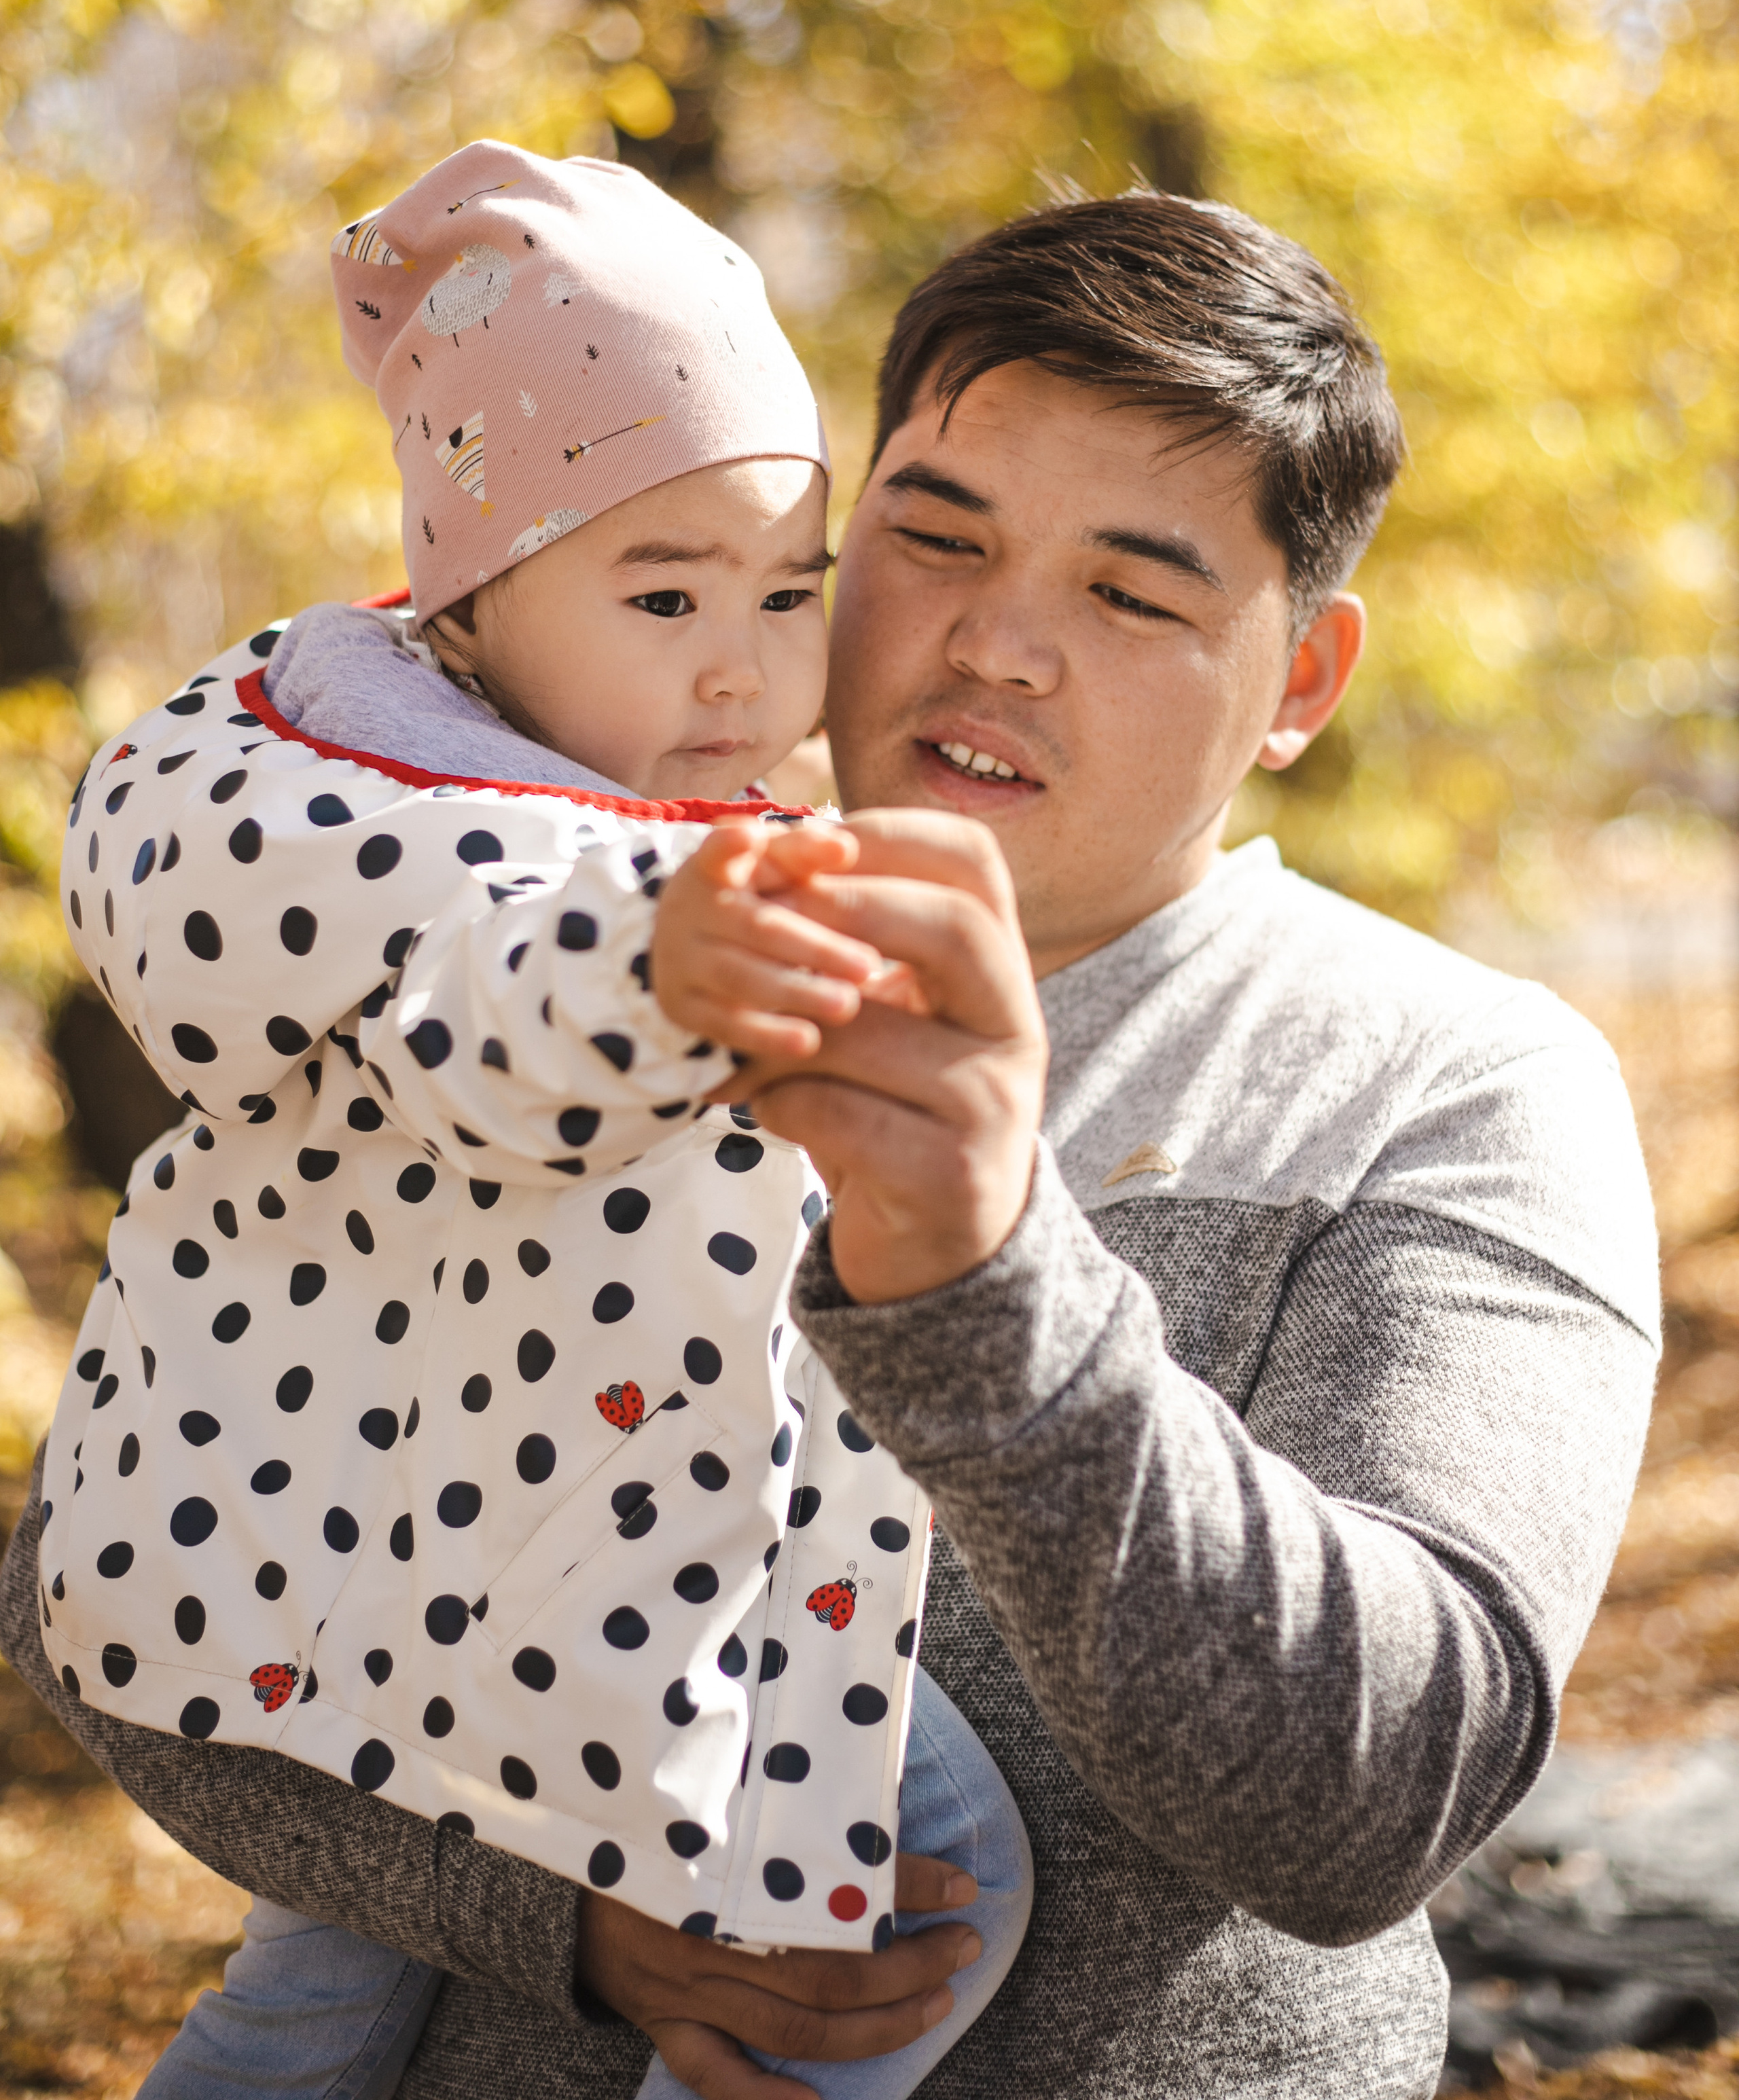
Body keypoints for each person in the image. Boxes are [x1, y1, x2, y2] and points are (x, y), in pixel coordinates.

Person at [2, 186, 1658, 2099]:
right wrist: (549, 1906)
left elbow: (1376, 1808)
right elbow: (122, 1578)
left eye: (1130, 594)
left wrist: (988, 1289)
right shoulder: (551, 938)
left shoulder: (1447, 1087)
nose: (998, 647)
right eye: (934, 538)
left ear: (1299, 679)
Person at [28, 143, 1030, 2100]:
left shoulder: (604, 793)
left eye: (787, 591)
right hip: (448, 1555)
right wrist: (663, 962)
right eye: (663, 593)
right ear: (469, 606)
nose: (743, 663)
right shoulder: (409, 820)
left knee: (314, 2006)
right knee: (936, 1867)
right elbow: (489, 1018)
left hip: (510, 1525)